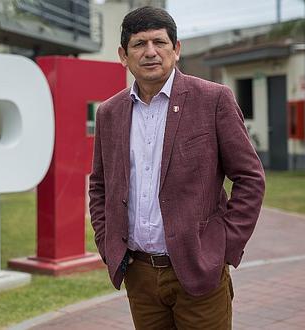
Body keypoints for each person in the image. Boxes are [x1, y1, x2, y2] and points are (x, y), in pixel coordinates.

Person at [88, 6, 265, 329]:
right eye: (139, 44)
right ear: (123, 56)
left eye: (160, 42)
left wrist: (224, 244)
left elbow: (250, 178)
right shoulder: (109, 113)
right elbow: (100, 185)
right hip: (140, 274)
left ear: (177, 49)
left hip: (199, 269)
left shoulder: (213, 99)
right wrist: (106, 242)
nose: (150, 52)